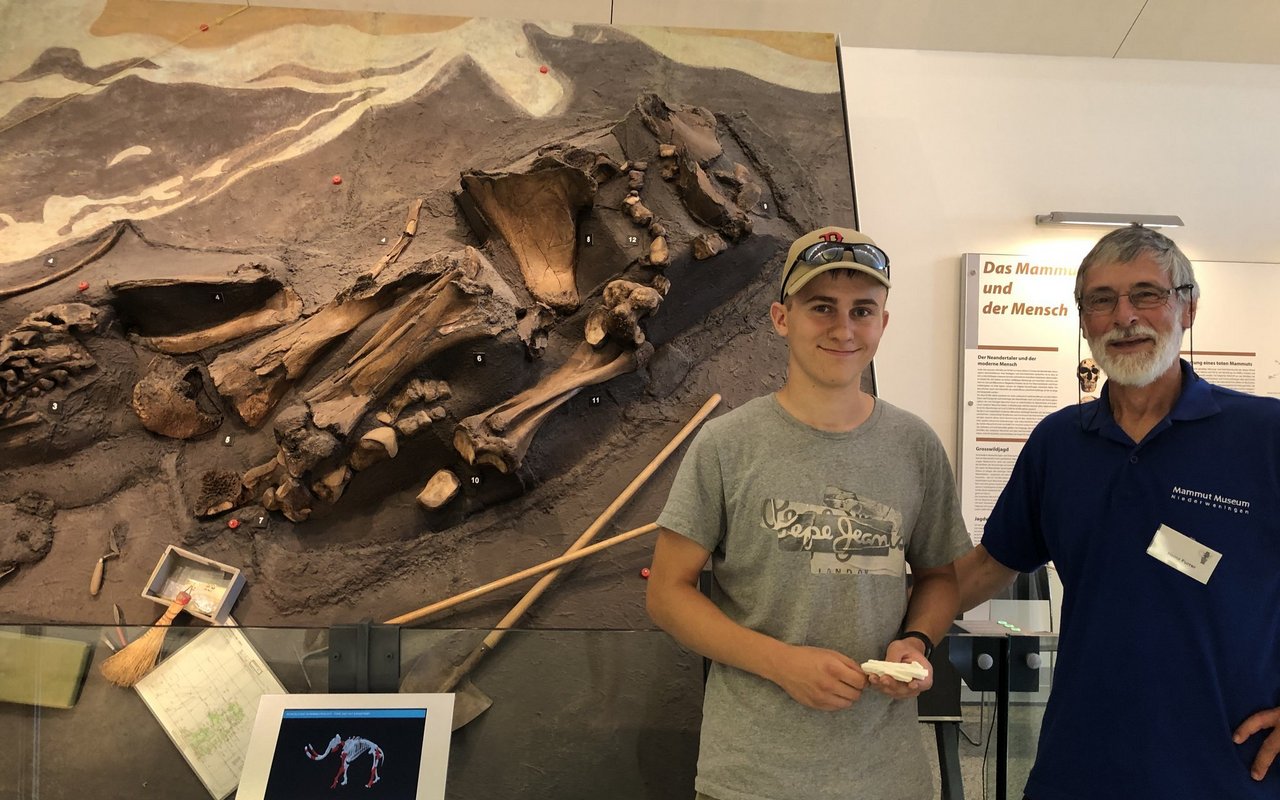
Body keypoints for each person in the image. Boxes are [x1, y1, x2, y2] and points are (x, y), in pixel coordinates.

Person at [647, 226, 971, 800]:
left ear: (883, 325)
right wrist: (779, 663)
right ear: (781, 318)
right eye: (822, 307)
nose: (843, 328)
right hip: (753, 777)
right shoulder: (726, 445)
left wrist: (916, 642)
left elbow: (940, 577)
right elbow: (668, 593)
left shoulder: (914, 445)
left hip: (887, 775)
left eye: (862, 310)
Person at [956, 224, 1280, 798]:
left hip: (1229, 773)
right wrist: (870, 614)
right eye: (1101, 300)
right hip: (1079, 768)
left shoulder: (1264, 434)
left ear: (1189, 307)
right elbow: (986, 567)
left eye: (1146, 294)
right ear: (1083, 319)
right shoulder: (1058, 444)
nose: (1124, 316)